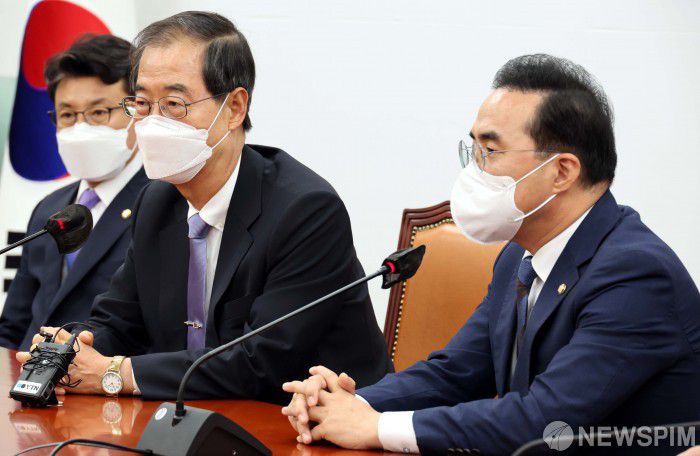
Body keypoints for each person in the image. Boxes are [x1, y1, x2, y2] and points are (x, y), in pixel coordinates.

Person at [281, 54, 700, 454]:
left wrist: (375, 428)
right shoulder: (518, 258)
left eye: (491, 151)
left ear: (562, 171)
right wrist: (347, 404)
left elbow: (544, 422)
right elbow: (455, 372)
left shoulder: (635, 274)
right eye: (473, 150)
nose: (474, 169)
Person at [16, 11, 391, 403]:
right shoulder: (158, 201)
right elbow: (119, 321)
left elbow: (261, 361)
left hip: (310, 419)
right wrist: (71, 351)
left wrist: (116, 374)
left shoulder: (306, 211)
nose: (152, 123)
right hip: (192, 416)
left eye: (173, 104)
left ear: (234, 108)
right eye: (142, 103)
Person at [0, 34, 148, 351]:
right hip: (29, 374)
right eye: (67, 115)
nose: (81, 128)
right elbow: (13, 327)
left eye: (99, 112)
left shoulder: (165, 204)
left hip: (105, 376)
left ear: (137, 110)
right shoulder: (49, 208)